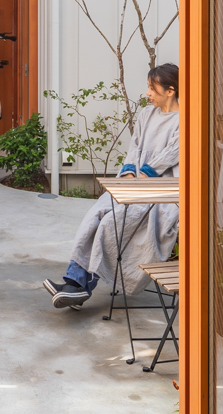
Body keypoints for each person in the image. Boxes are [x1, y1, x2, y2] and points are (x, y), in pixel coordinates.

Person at [43, 64, 181, 309]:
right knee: (94, 214)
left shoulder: (184, 120)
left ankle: (80, 287)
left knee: (111, 223)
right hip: (134, 185)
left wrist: (144, 175)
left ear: (170, 91)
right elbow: (135, 149)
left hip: (162, 192)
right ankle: (75, 282)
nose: (147, 93)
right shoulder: (146, 115)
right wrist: (128, 172)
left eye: (152, 88)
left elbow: (172, 155)